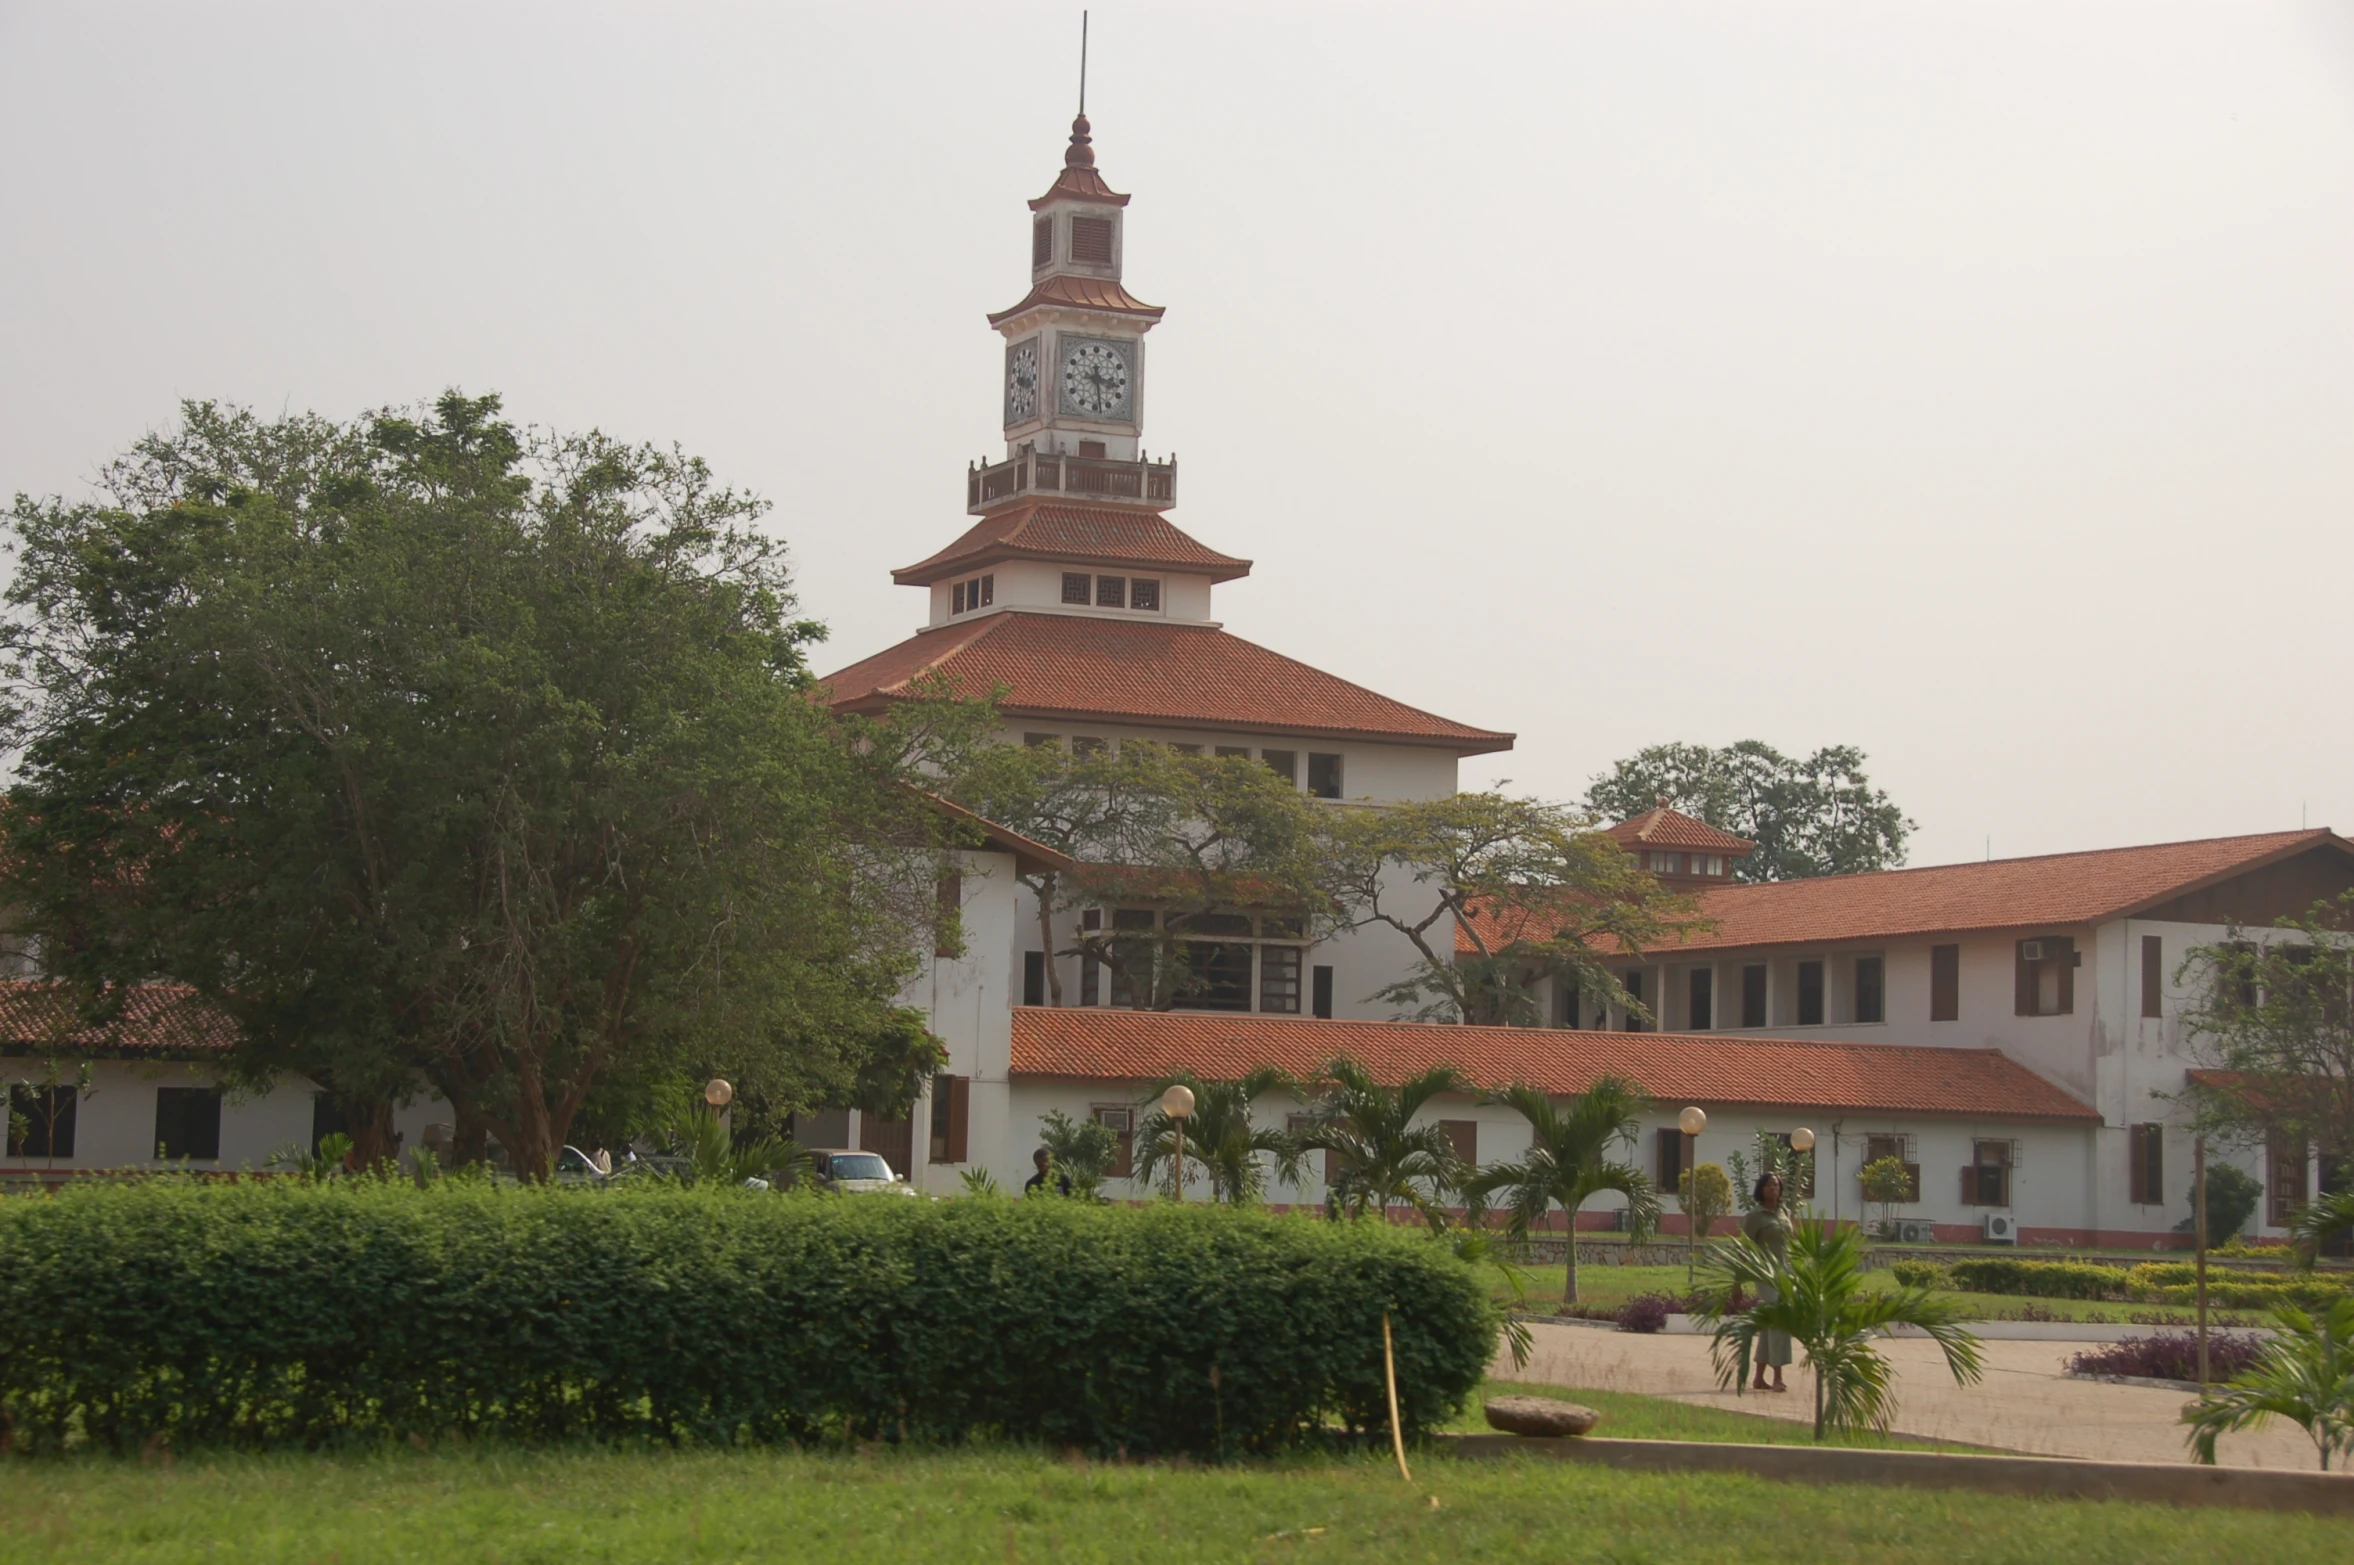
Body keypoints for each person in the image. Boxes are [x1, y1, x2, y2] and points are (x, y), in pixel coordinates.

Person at [1741, 1172, 1794, 1392]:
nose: (1774, 1188)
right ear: (1761, 1189)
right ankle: (1778, 1376)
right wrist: (1737, 1284)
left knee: (1768, 1323)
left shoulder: (1785, 1213)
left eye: (1777, 1185)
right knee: (1778, 1318)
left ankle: (1759, 1378)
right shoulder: (1755, 1216)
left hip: (1785, 1274)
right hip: (1764, 1274)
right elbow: (1743, 1249)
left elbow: (1791, 1244)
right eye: (1769, 1184)